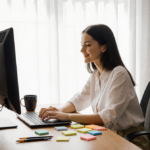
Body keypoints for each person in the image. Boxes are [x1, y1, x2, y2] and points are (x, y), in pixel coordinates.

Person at [39, 24, 149, 149]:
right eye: (82, 45)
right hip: (109, 135)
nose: (82, 50)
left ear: (104, 47)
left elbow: (108, 117)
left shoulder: (119, 73)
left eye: (87, 45)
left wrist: (67, 116)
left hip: (131, 141)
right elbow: (79, 99)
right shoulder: (96, 75)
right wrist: (58, 111)